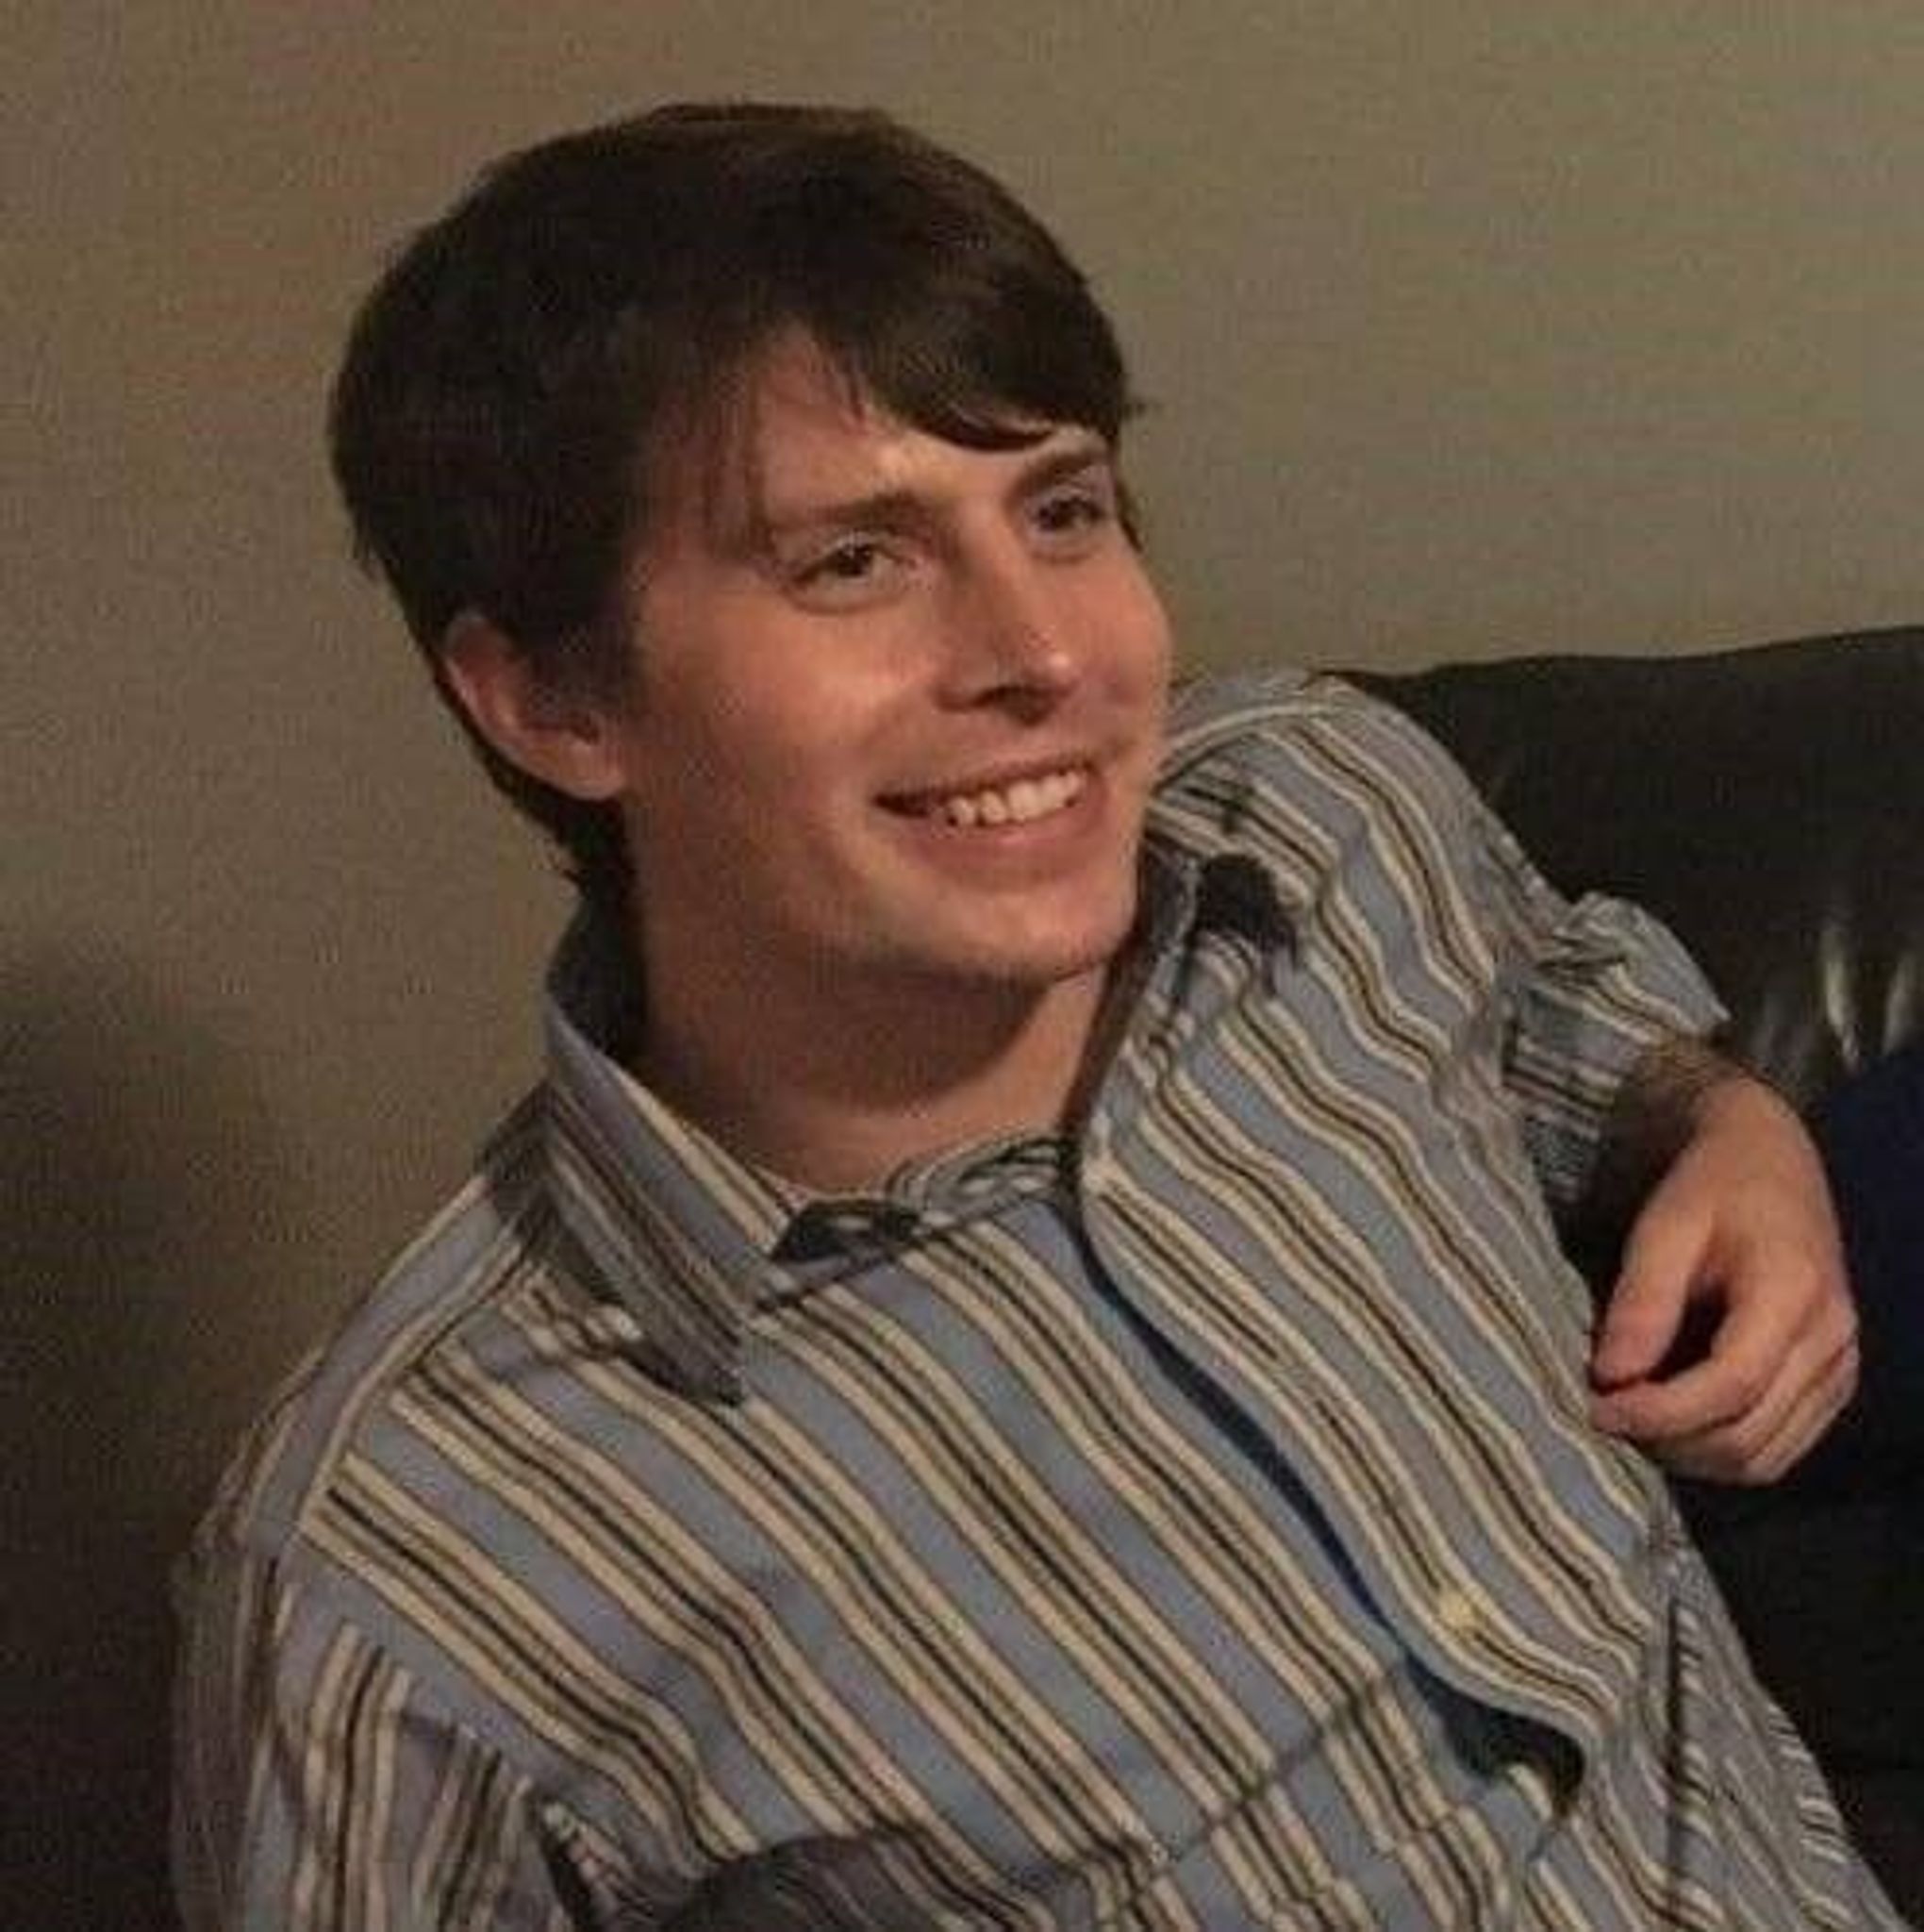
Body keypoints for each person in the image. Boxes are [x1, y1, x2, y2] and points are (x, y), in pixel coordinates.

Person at [173, 103, 1898, 1929]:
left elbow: (1562, 1011)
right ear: (553, 701)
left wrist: (1729, 1125)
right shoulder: (399, 1590)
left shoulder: (1327, 812)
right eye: (854, 560)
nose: (1049, 653)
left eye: (1063, 510)